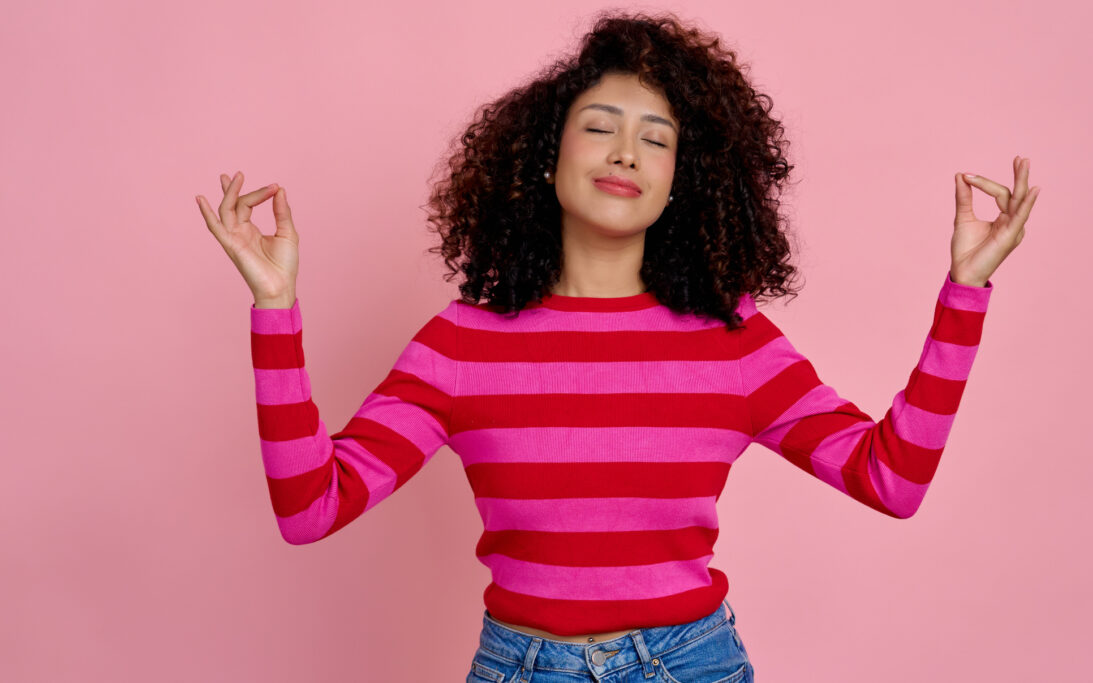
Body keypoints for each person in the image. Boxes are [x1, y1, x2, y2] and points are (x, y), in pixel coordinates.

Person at [195, 10, 1041, 682]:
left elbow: (889, 479)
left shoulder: (733, 342)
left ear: (684, 181)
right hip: (520, 667)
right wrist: (275, 307)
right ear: (545, 155)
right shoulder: (461, 343)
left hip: (690, 666)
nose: (627, 152)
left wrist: (965, 294)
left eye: (658, 137)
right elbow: (312, 508)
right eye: (601, 126)